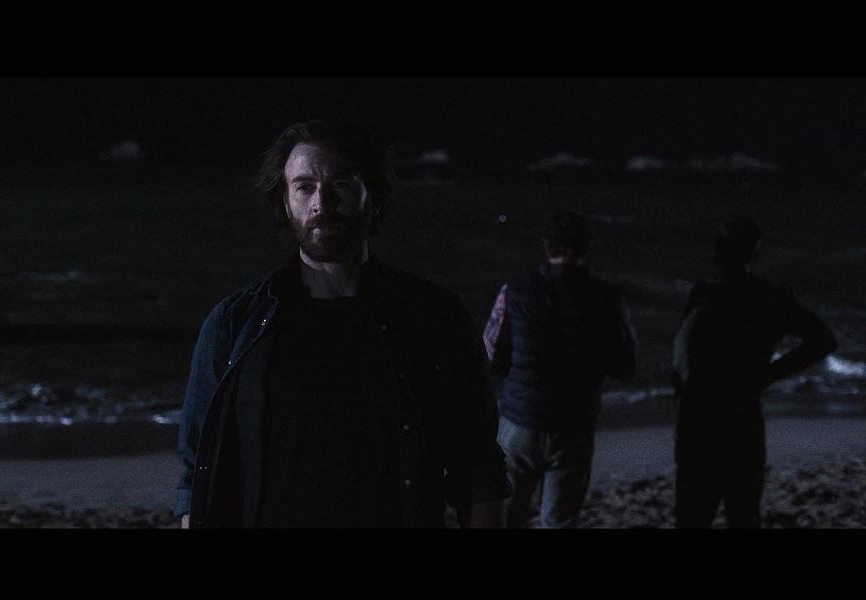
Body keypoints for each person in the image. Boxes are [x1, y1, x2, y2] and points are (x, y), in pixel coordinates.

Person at [175, 120, 508, 528]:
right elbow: (197, 470)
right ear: (285, 203)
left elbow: (476, 463)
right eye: (304, 187)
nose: (322, 202)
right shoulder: (234, 324)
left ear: (374, 197)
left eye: (342, 184)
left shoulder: (434, 316)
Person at [672, 219, 838, 528]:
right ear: (755, 254)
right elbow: (823, 340)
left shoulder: (704, 294)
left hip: (701, 413)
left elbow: (685, 352)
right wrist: (768, 374)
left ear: (717, 251)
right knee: (742, 511)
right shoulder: (770, 297)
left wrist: (680, 381)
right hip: (740, 409)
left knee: (694, 514)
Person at [483, 209, 636, 528]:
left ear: (546, 245)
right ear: (586, 247)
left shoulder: (515, 290)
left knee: (508, 515)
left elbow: (491, 354)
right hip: (573, 424)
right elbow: (626, 364)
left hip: (521, 422)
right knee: (560, 521)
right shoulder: (606, 298)